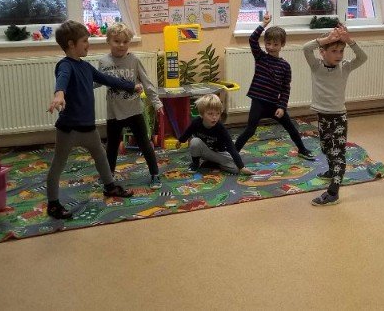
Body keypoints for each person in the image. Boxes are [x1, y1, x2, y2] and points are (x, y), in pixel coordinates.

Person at [46, 20, 138, 220]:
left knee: (101, 157)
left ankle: (110, 186)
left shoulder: (86, 67)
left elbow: (108, 79)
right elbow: (62, 80)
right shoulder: (65, 65)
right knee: (58, 164)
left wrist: (131, 86)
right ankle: (53, 204)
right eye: (85, 41)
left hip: (89, 129)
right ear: (71, 44)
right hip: (69, 130)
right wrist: (59, 94)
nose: (88, 45)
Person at [233, 13, 316, 160]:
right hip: (258, 102)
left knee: (290, 126)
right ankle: (232, 154)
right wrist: (264, 24)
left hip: (274, 104)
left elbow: (285, 88)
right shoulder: (260, 57)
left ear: (282, 45)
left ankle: (302, 149)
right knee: (250, 130)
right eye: (268, 43)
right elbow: (252, 39)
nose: (271, 47)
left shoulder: (285, 66)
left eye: (275, 44)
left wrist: (282, 107)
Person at [303, 24, 367, 206]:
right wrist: (326, 39)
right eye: (334, 51)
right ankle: (332, 171)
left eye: (341, 51)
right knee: (325, 148)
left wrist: (349, 41)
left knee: (337, 154)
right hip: (322, 116)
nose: (339, 55)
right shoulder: (316, 66)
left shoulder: (345, 67)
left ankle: (333, 193)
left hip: (338, 117)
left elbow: (363, 57)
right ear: (322, 52)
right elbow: (306, 48)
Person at [98, 23, 165, 189]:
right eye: (117, 41)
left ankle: (155, 174)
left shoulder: (134, 60)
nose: (121, 45)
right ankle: (108, 175)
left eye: (125, 41)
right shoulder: (104, 62)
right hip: (113, 112)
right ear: (108, 41)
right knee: (112, 146)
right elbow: (97, 81)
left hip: (134, 110)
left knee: (144, 143)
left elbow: (147, 83)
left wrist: (156, 102)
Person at [178, 94, 254, 175]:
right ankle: (195, 163)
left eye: (217, 114)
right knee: (194, 141)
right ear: (202, 114)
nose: (214, 117)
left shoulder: (220, 128)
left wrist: (242, 167)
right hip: (204, 152)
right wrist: (180, 140)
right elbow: (188, 132)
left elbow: (231, 147)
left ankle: (211, 163)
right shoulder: (196, 122)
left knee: (235, 169)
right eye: (210, 114)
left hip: (218, 153)